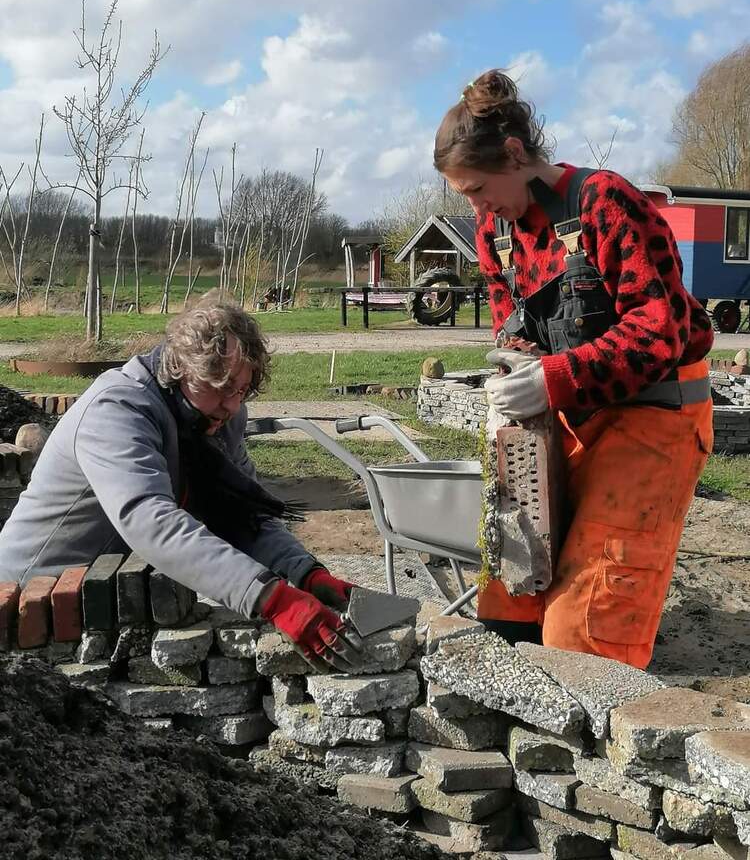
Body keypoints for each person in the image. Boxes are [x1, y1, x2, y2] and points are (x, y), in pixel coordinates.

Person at [433, 70, 714, 669]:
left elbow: (660, 328)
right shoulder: (496, 230)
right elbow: (512, 323)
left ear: (515, 154)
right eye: (466, 196)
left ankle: (596, 741)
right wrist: (515, 365)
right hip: (569, 417)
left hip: (655, 419)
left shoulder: (605, 202)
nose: (477, 206)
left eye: (479, 188)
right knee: (512, 592)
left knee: (584, 625)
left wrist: (556, 377)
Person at [0, 296, 362, 673]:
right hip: (29, 606)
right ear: (181, 368)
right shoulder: (117, 410)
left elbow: (243, 516)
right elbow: (151, 521)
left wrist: (304, 572)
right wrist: (271, 597)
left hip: (100, 601)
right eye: (221, 387)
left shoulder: (211, 418)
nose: (233, 406)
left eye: (242, 390)